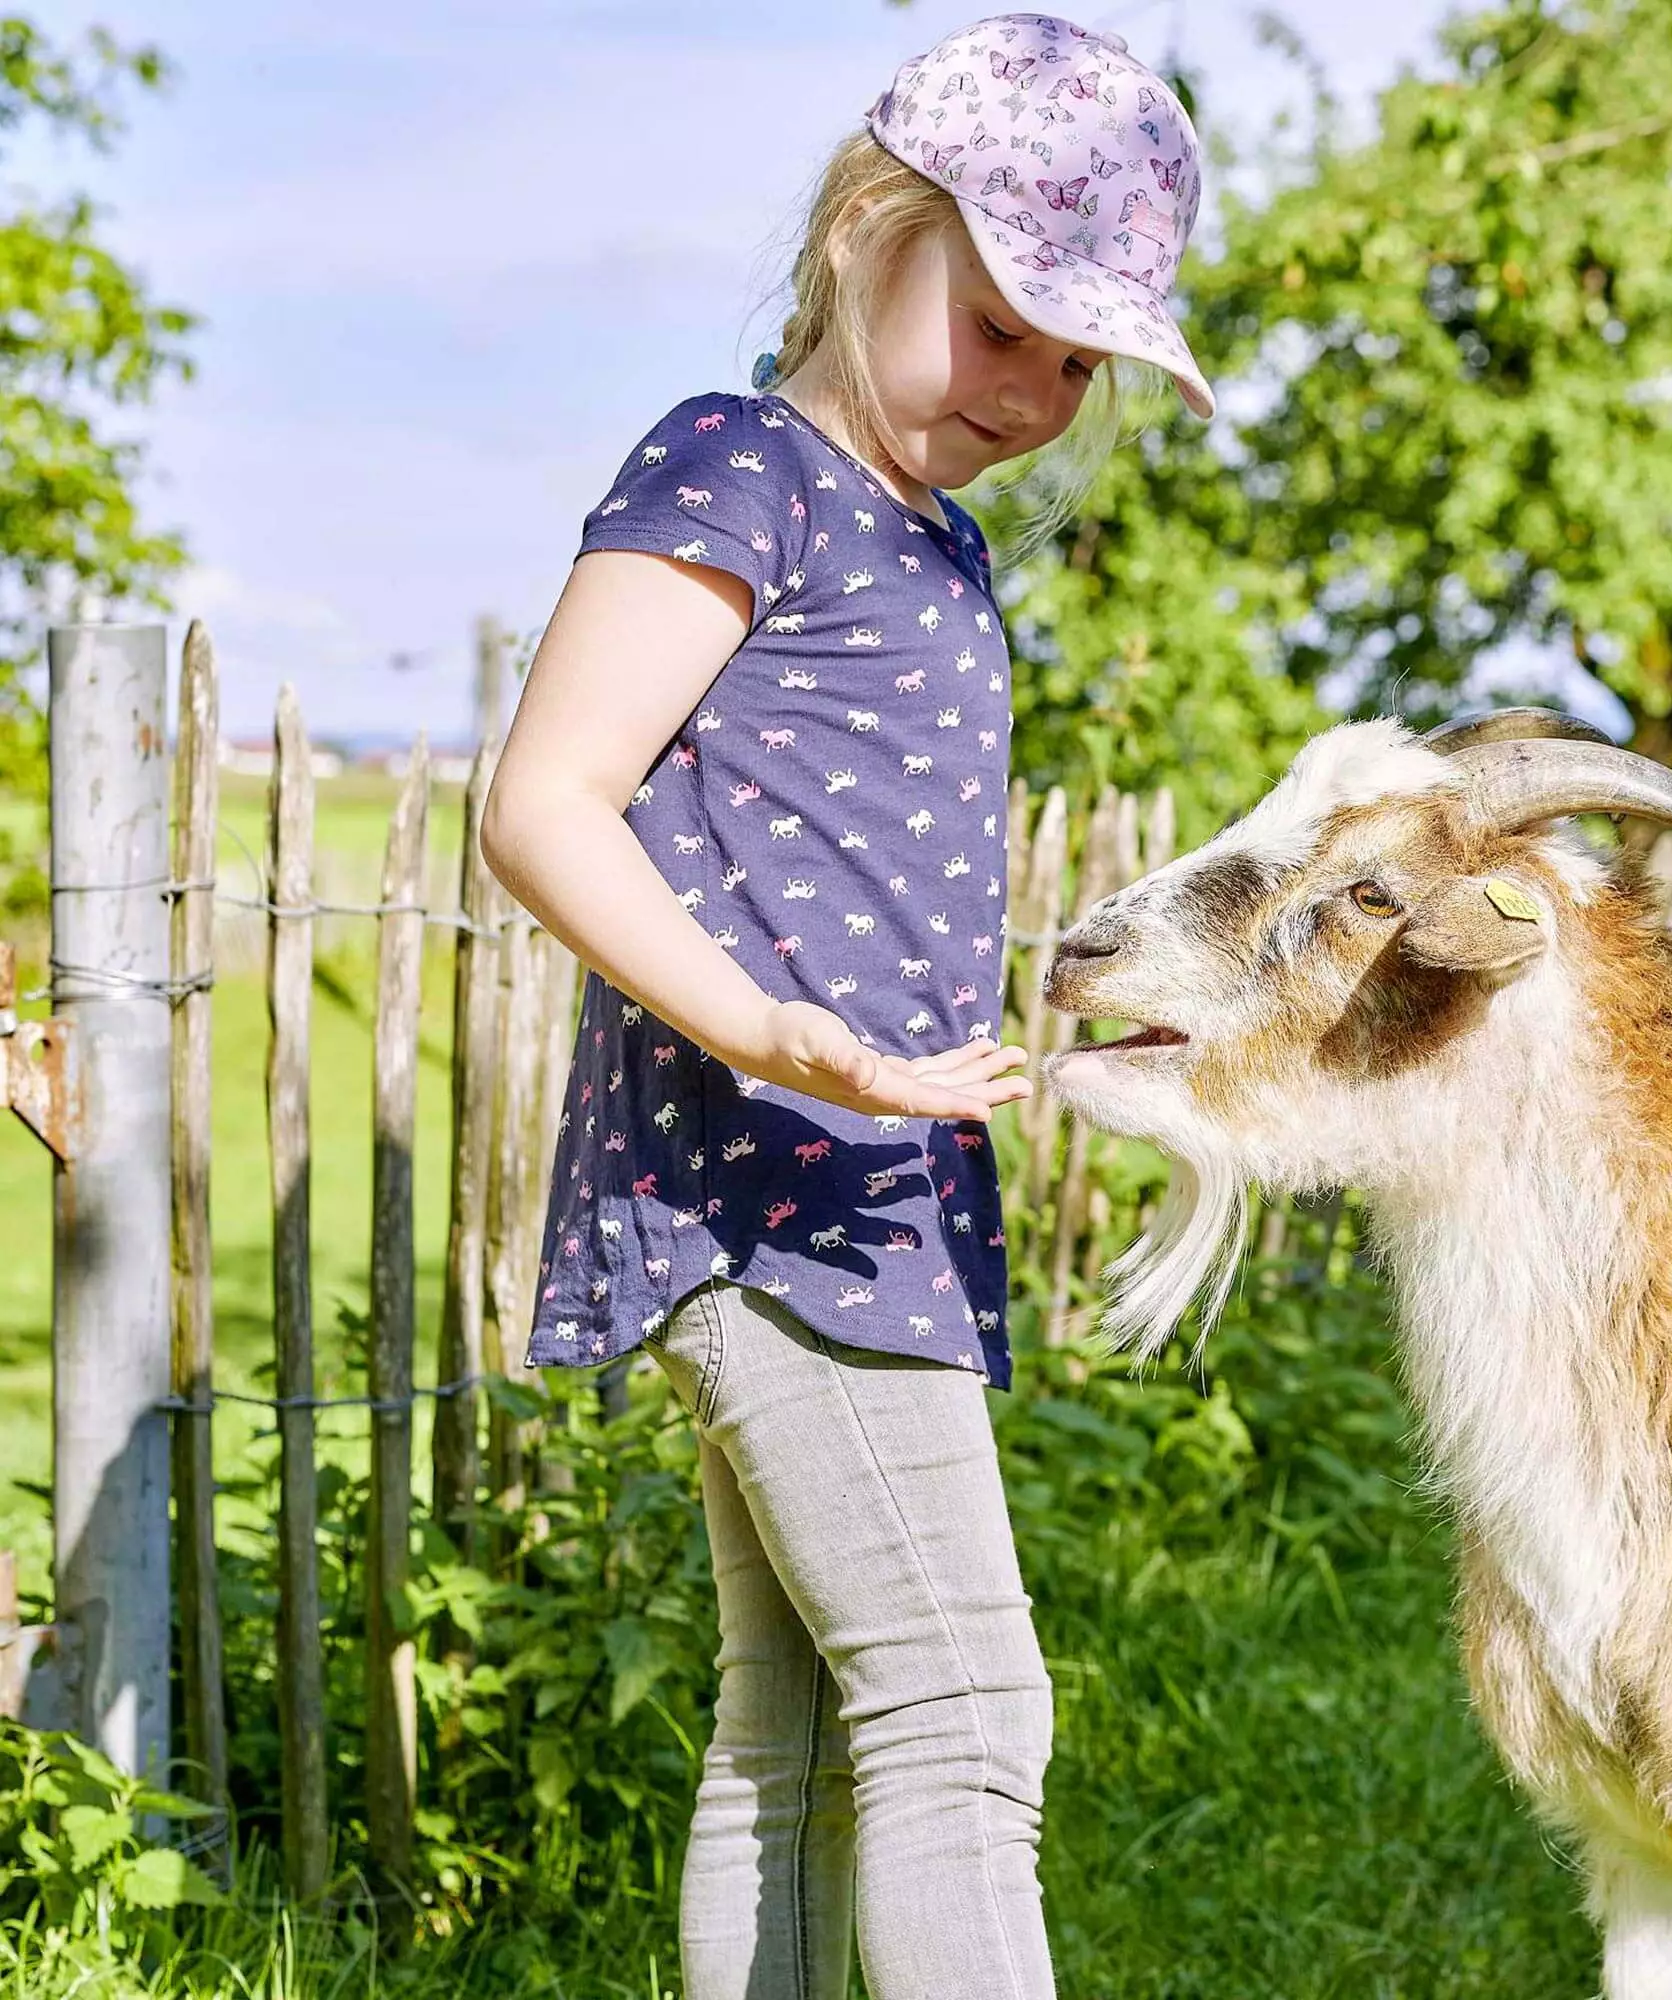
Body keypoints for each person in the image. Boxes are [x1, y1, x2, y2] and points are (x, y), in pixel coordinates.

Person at [477, 17, 1212, 1997]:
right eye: (1002, 326)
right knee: (968, 1706)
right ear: (865, 233)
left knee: (791, 1740)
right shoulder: (741, 467)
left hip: (862, 1180)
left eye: (1077, 363)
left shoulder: (937, 538)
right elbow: (543, 803)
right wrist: (757, 1031)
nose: (1038, 392)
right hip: (768, 1177)